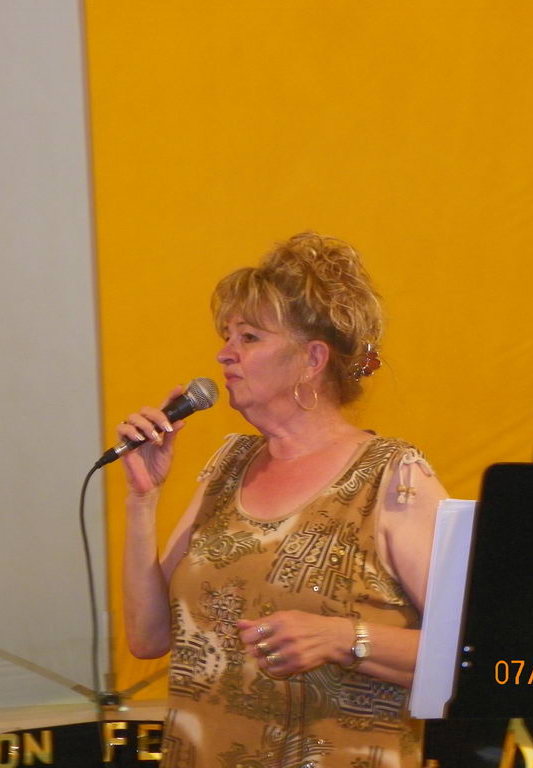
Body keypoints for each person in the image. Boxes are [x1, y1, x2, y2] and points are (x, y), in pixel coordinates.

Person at [119, 232, 447, 767]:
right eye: (226, 336)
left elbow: (470, 657)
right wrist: (142, 501)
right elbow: (148, 637)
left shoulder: (393, 476)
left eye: (249, 337)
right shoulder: (228, 466)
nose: (225, 353)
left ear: (312, 358)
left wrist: (344, 638)